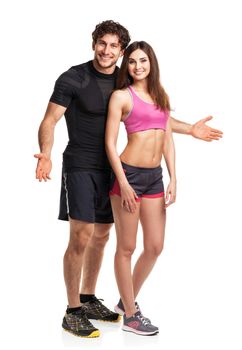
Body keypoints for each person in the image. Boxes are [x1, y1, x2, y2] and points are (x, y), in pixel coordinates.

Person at [34, 20, 223, 339]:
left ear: (121, 51)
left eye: (114, 46)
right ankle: (72, 311)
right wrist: (46, 153)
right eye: (102, 43)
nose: (107, 51)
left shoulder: (123, 82)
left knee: (103, 235)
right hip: (80, 165)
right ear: (93, 43)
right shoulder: (74, 77)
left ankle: (89, 297)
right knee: (81, 234)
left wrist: (190, 128)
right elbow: (49, 120)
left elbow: (154, 117)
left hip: (113, 168)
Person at [105, 41, 173, 335]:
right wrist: (123, 182)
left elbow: (167, 137)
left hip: (155, 178)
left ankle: (125, 300)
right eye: (132, 62)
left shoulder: (161, 96)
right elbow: (109, 143)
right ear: (126, 66)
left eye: (142, 61)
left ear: (151, 63)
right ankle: (131, 315)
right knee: (127, 247)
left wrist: (174, 178)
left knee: (155, 246)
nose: (137, 66)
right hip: (128, 176)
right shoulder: (122, 96)